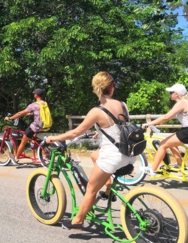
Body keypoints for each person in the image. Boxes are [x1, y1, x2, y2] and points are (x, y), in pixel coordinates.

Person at [46, 71, 135, 230]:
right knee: (95, 155)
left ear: (95, 88)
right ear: (112, 87)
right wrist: (100, 132)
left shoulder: (96, 111)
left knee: (91, 189)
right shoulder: (123, 104)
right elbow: (120, 127)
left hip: (113, 157)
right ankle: (108, 189)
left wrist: (54, 138)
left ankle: (78, 221)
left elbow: (75, 133)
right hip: (129, 153)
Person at [141, 84, 188, 176]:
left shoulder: (181, 103)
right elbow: (170, 116)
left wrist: (149, 124)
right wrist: (156, 123)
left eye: (171, 92)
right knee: (170, 141)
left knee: (162, 145)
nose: (170, 94)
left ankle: (153, 170)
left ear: (177, 94)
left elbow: (166, 117)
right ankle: (180, 165)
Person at [4, 88, 48, 165]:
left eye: (34, 94)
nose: (34, 95)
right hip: (44, 125)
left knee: (23, 141)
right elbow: (41, 113)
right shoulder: (44, 104)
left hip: (36, 126)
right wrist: (31, 113)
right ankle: (35, 146)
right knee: (33, 136)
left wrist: (10, 118)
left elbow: (20, 113)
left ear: (36, 95)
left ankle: (16, 158)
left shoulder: (34, 105)